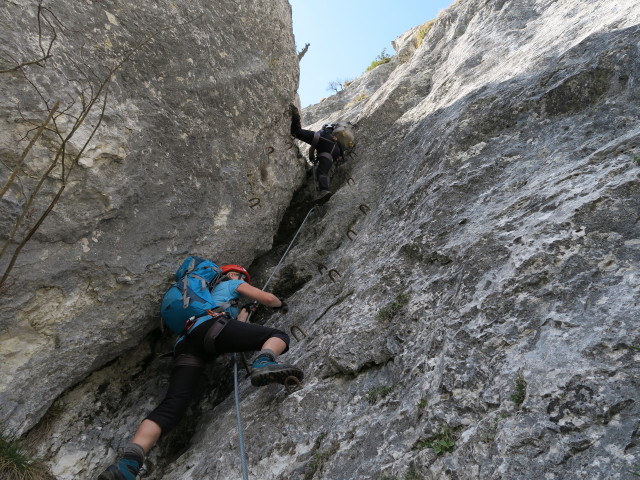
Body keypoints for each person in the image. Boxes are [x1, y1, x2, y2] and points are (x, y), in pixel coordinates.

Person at [97, 264, 303, 480]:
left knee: (171, 407)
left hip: (188, 344)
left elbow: (236, 330)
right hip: (212, 330)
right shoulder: (233, 282)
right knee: (277, 335)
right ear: (232, 274)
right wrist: (281, 304)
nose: (245, 281)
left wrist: (244, 313)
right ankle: (263, 362)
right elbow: (268, 299)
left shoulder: (206, 296)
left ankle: (127, 465)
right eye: (244, 277)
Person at [290, 104, 342, 203]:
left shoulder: (324, 131)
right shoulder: (336, 135)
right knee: (322, 172)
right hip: (335, 151)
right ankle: (324, 191)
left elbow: (312, 148)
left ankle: (295, 114)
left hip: (323, 140)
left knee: (296, 132)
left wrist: (311, 158)